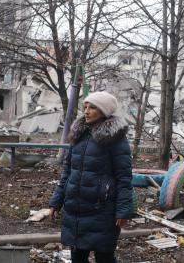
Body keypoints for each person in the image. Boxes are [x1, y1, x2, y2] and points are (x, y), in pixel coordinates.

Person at [49, 91, 133, 263]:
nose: (86, 111)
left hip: (102, 210)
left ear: (104, 111)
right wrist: (56, 201)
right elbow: (67, 172)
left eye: (92, 107)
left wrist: (123, 211)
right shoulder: (77, 136)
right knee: (77, 258)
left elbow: (124, 178)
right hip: (76, 209)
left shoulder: (115, 138)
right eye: (85, 107)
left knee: (104, 257)